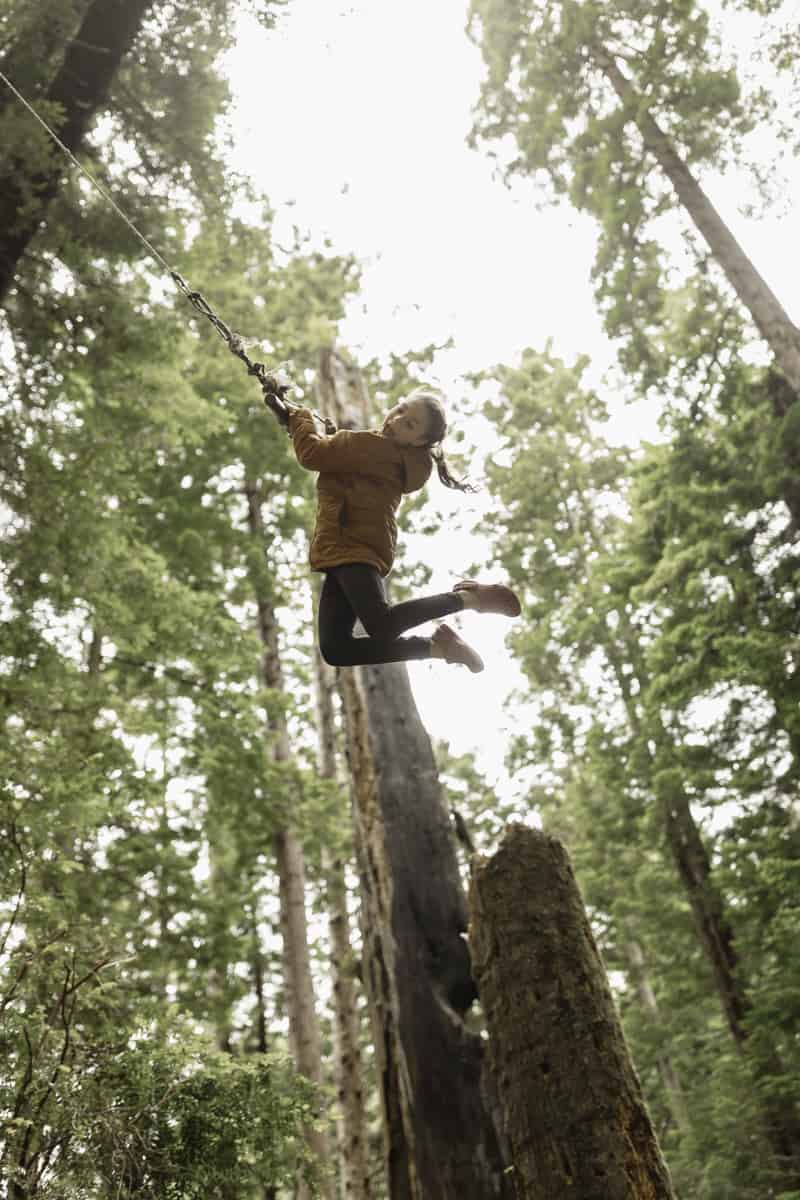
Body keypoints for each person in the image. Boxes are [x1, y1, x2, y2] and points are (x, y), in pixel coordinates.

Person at [286, 386, 521, 673]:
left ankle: (470, 598)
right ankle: (437, 647)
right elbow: (340, 458)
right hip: (345, 547)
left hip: (353, 544)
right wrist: (301, 425)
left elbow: (311, 453)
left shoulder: (373, 448)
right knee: (336, 648)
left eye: (409, 424)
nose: (396, 420)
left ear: (420, 441)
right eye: (400, 410)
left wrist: (301, 417)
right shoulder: (391, 457)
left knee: (382, 625)